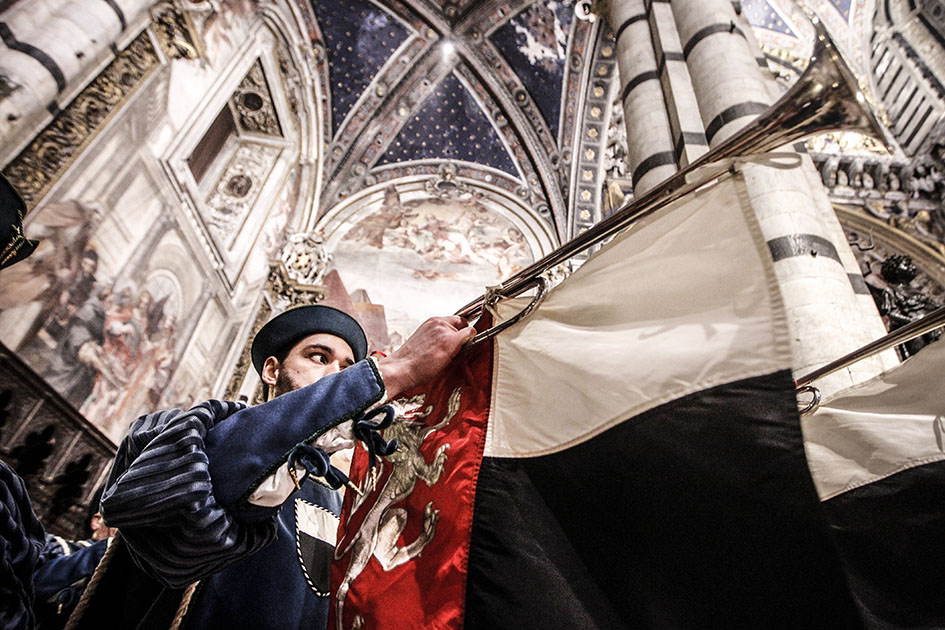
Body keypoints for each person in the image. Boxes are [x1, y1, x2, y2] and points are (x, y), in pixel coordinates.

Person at [95, 304, 474, 629]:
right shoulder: (192, 432)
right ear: (272, 371)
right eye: (319, 357)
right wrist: (397, 370)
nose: (335, 375)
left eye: (347, 367)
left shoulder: (344, 496)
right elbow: (194, 482)